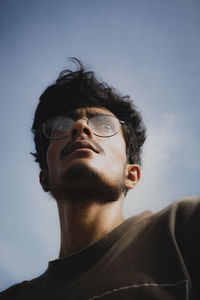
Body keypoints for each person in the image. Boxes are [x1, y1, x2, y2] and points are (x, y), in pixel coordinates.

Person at [1, 58, 199, 300]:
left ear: (131, 174)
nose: (81, 126)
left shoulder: (183, 226)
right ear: (45, 177)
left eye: (104, 125)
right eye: (61, 127)